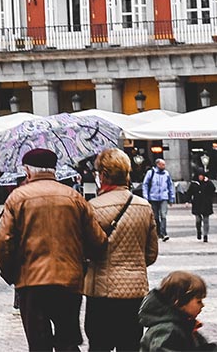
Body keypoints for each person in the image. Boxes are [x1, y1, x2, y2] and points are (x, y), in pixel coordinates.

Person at [0, 147, 105, 352]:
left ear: (27, 171)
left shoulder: (17, 197)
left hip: (31, 281)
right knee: (68, 340)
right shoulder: (74, 197)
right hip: (69, 280)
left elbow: (2, 241)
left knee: (38, 344)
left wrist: (11, 273)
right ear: (54, 170)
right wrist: (83, 265)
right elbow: (96, 240)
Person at [86, 148, 157, 352]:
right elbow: (151, 254)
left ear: (103, 175)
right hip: (134, 292)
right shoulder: (144, 206)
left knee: (99, 345)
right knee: (130, 345)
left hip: (101, 291)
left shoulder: (92, 207)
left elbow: (85, 251)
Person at [137, 271, 217, 352]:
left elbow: (204, 348)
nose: (202, 305)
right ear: (179, 301)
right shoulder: (167, 329)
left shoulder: (183, 324)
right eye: (198, 301)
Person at [141, 160, 174, 242]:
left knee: (163, 215)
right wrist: (146, 197)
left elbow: (170, 185)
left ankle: (164, 233)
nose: (164, 166)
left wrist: (171, 197)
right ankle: (158, 232)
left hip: (164, 197)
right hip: (153, 197)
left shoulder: (166, 174)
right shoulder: (151, 173)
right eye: (162, 165)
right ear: (158, 165)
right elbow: (145, 184)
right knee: (155, 217)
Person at [187, 170, 213, 243]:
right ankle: (199, 231)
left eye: (202, 175)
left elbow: (212, 189)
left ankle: (205, 235)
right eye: (199, 176)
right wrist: (187, 201)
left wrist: (208, 182)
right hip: (197, 203)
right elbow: (189, 192)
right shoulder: (194, 184)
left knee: (206, 220)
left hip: (206, 203)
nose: (201, 177)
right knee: (198, 220)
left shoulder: (207, 182)